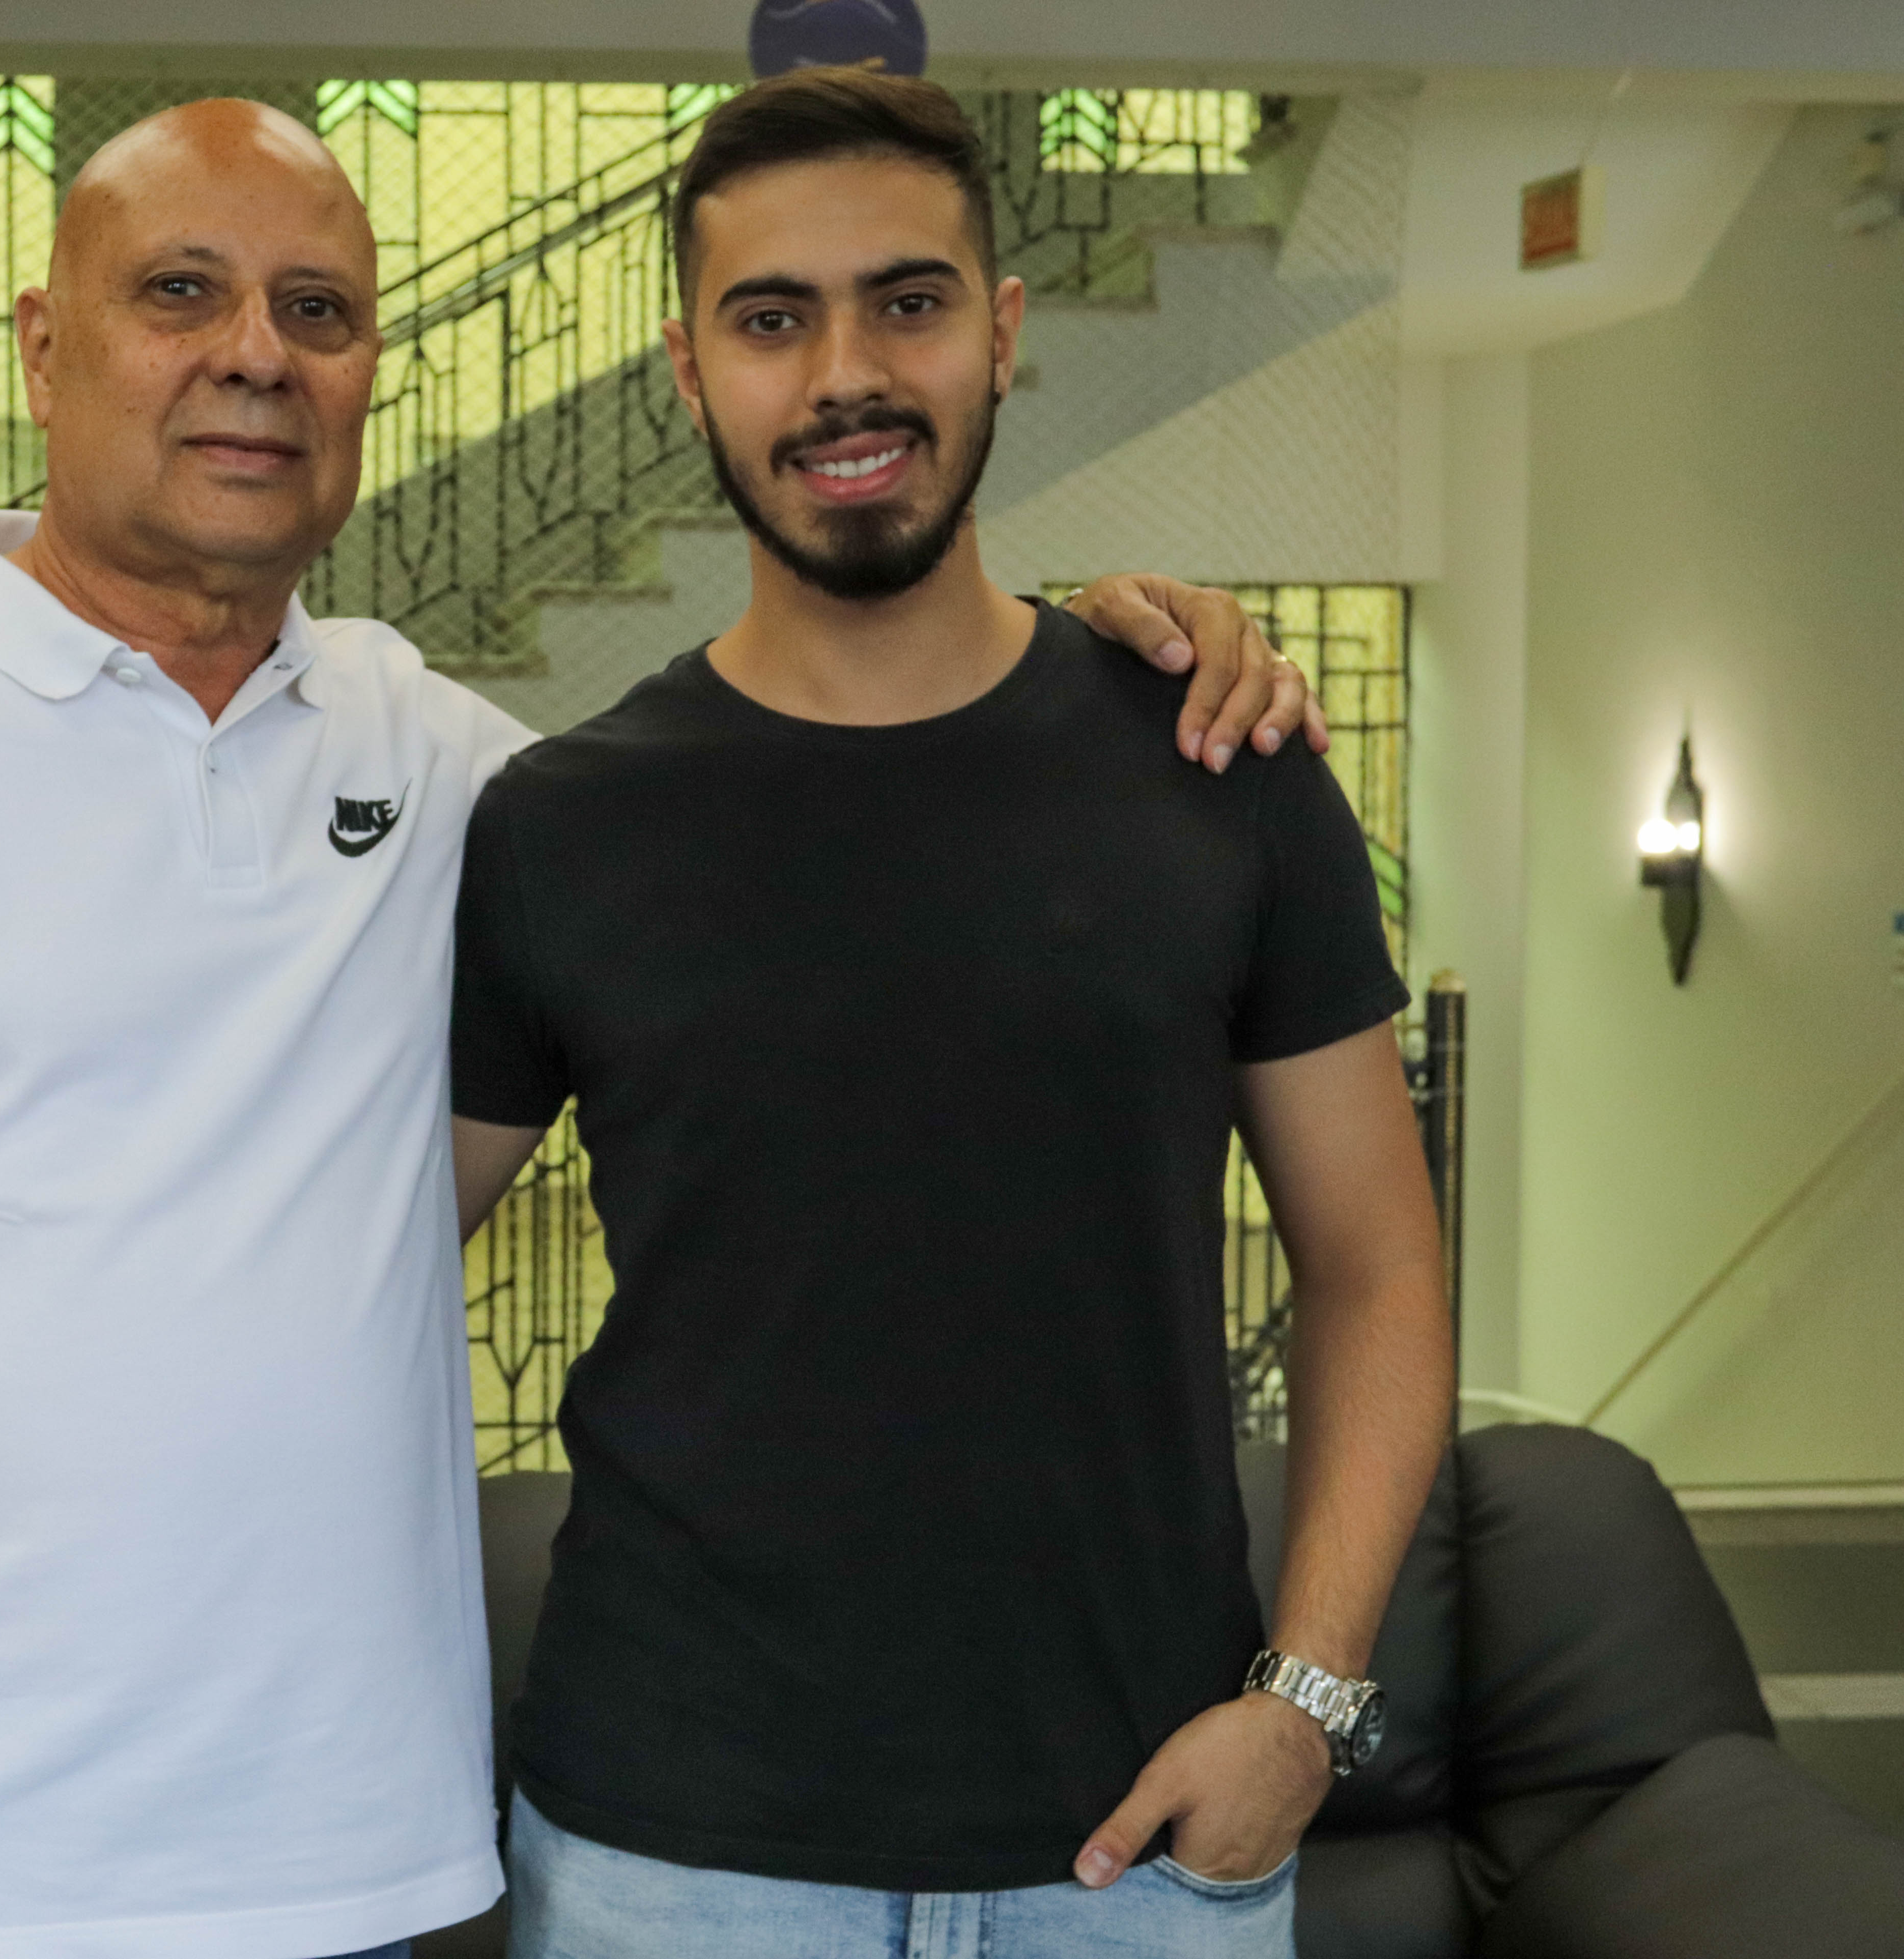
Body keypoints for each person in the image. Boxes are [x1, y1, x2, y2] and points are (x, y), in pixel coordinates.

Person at [0, 97, 1325, 1959]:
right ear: (44, 346)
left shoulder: (464, 776)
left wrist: (1123, 644)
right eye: (179, 292)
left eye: (318, 310)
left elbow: (824, 812)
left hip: (348, 1868)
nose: (253, 355)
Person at [444, 70, 1455, 1959]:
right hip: (674, 1863)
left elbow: (1377, 1262)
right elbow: (352, 1258)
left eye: (904, 302)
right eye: (771, 318)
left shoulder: (1214, 764)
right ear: (687, 372)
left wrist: (1305, 1702)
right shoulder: (556, 825)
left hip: (1143, 1859)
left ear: (999, 333)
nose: (845, 375)